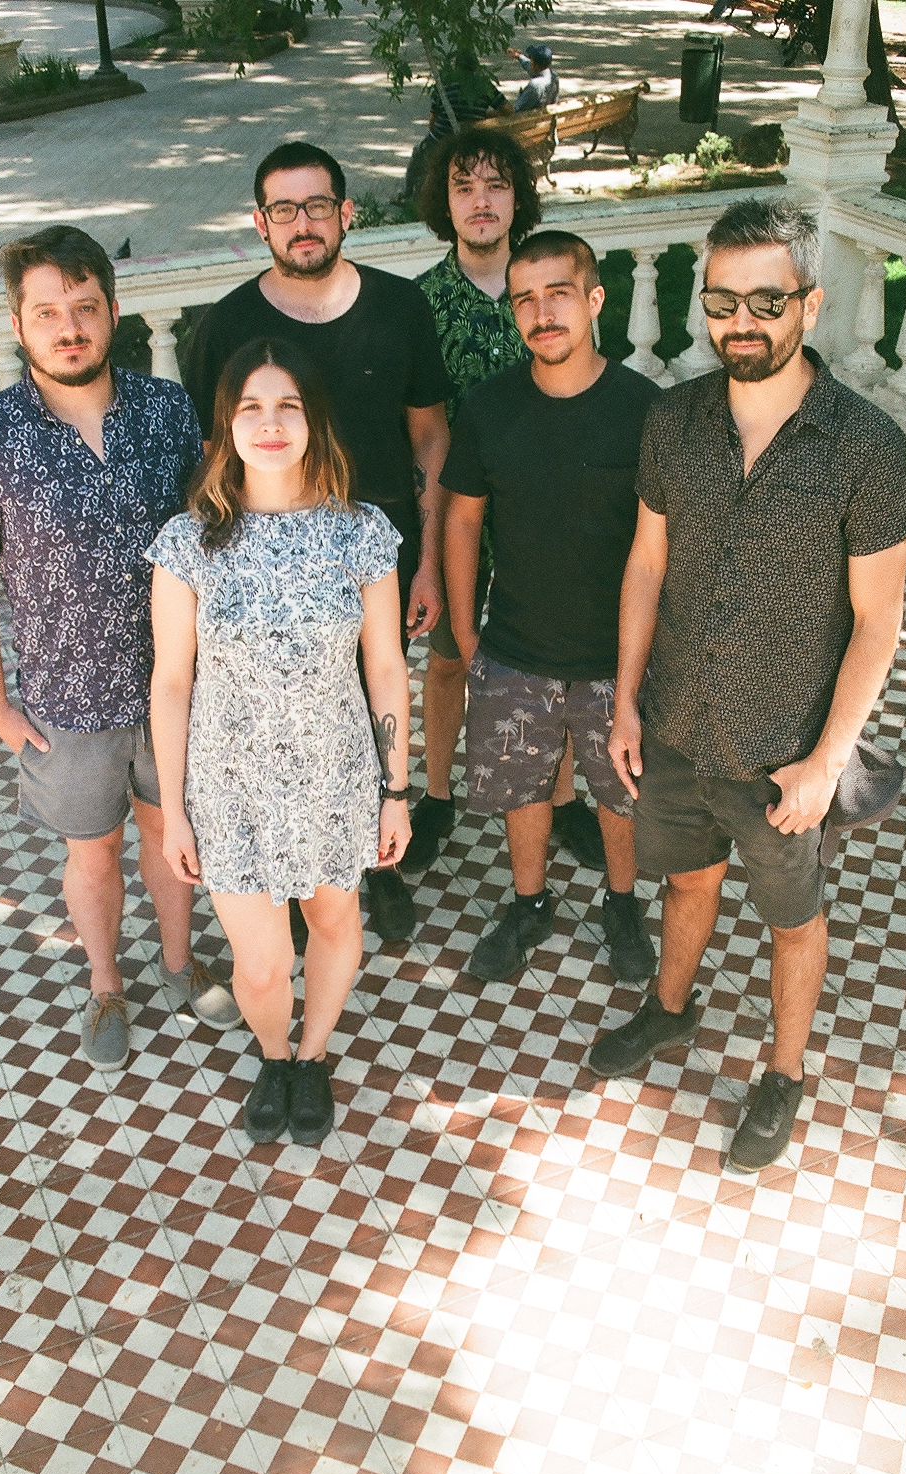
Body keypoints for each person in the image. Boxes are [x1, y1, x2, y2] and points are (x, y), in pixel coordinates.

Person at [597, 198, 906, 1172]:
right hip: (678, 722)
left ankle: (782, 1073)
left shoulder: (865, 445)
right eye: (722, 301)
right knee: (687, 878)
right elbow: (646, 563)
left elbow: (879, 621)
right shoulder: (672, 420)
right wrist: (625, 700)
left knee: (792, 917)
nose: (741, 322)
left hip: (786, 749)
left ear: (809, 305)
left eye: (765, 302)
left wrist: (827, 761)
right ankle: (670, 1007)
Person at [0, 225, 242, 1073]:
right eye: (47, 312)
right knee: (94, 850)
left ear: (113, 311)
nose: (68, 327)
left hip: (176, 685)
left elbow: (212, 529)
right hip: (67, 701)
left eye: (83, 307)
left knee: (170, 832)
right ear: (17, 325)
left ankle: (178, 963)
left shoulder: (167, 410)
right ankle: (106, 983)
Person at [185, 142, 451, 945]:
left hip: (377, 556)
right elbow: (214, 453)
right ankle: (290, 878)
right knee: (281, 722)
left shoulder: (400, 307)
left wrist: (428, 560)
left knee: (374, 699)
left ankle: (377, 862)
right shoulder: (228, 325)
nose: (303, 223)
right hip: (266, 561)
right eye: (284, 209)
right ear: (260, 223)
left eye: (318, 205)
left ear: (346, 213)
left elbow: (430, 438)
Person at [148, 338, 411, 1145]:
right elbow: (171, 683)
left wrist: (396, 791)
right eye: (250, 408)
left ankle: (312, 1056)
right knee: (260, 965)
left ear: (313, 421)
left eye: (287, 406)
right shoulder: (189, 542)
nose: (269, 424)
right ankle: (272, 1052)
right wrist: (175, 813)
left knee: (333, 923)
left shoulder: (360, 533)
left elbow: (386, 667)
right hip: (230, 789)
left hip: (335, 777)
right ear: (226, 427)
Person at [441, 230, 659, 983]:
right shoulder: (490, 407)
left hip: (615, 658)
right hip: (517, 646)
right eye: (524, 300)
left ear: (594, 300)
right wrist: (466, 631)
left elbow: (664, 543)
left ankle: (622, 904)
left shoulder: (644, 409)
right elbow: (462, 519)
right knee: (522, 787)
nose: (541, 314)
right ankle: (529, 902)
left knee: (620, 795)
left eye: (558, 294)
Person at [409, 128, 607, 877]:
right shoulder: (421, 302)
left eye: (495, 184)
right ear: (445, 203)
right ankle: (436, 793)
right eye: (464, 187)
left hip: (541, 516)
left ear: (518, 196)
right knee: (449, 657)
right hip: (456, 516)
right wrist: (428, 552)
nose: (481, 201)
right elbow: (422, 433)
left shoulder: (549, 289)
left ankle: (561, 797)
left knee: (554, 662)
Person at [404, 50, 508, 200]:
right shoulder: (484, 85)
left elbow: (433, 118)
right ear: (476, 67)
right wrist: (482, 114)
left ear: (456, 66)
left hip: (441, 138)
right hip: (469, 140)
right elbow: (507, 109)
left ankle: (407, 194)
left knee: (418, 154)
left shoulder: (445, 83)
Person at [508, 43, 560, 113]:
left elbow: (517, 110)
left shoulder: (535, 86)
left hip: (530, 119)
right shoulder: (553, 76)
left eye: (531, 60)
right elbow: (528, 65)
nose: (530, 62)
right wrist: (518, 56)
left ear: (535, 64)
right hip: (547, 117)